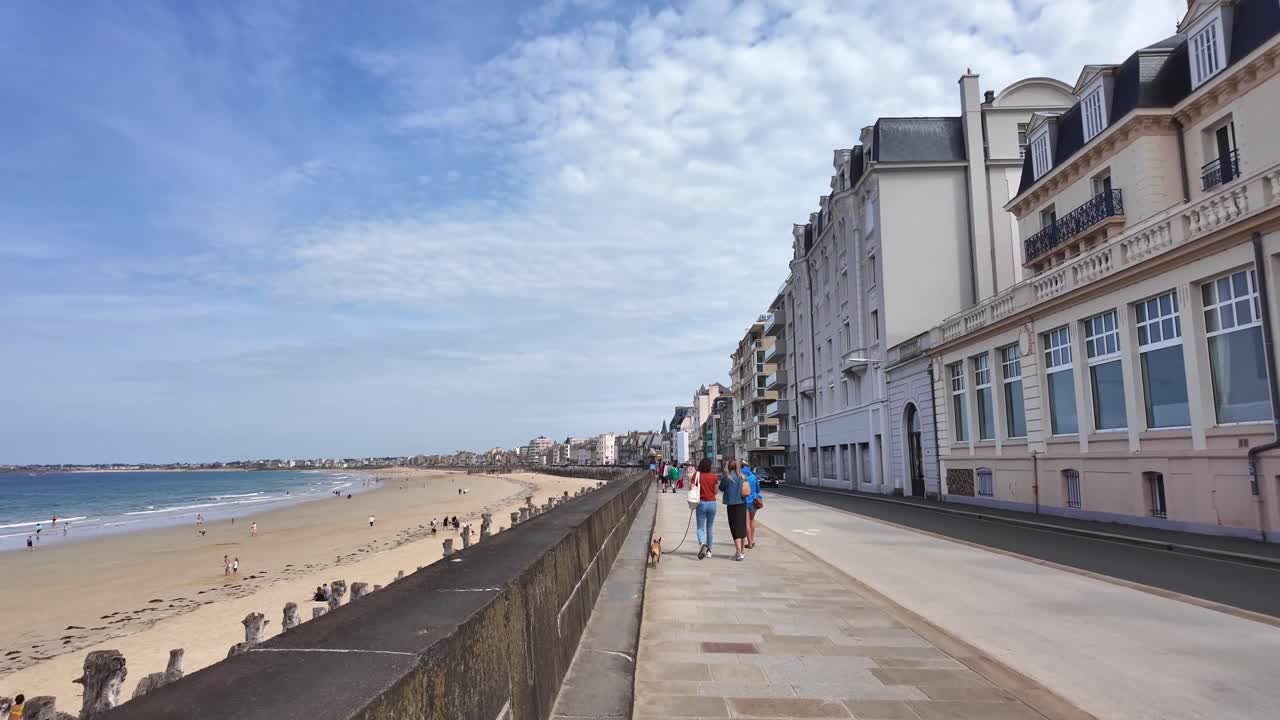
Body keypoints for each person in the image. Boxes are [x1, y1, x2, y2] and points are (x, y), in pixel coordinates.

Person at [719, 459, 749, 561]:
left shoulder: (727, 477)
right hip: (742, 504)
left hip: (732, 505)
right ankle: (742, 551)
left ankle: (738, 552)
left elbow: (721, 488)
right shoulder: (742, 477)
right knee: (742, 527)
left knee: (734, 528)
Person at [694, 458, 719, 560]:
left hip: (701, 503)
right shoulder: (714, 476)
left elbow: (692, 488)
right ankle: (709, 551)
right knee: (710, 528)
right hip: (712, 503)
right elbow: (716, 491)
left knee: (700, 528)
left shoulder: (697, 476)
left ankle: (702, 544)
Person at [741, 462, 762, 550]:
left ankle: (749, 543)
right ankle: (752, 540)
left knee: (746, 523)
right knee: (752, 520)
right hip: (754, 501)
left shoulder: (741, 476)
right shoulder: (753, 476)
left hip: (745, 501)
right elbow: (758, 489)